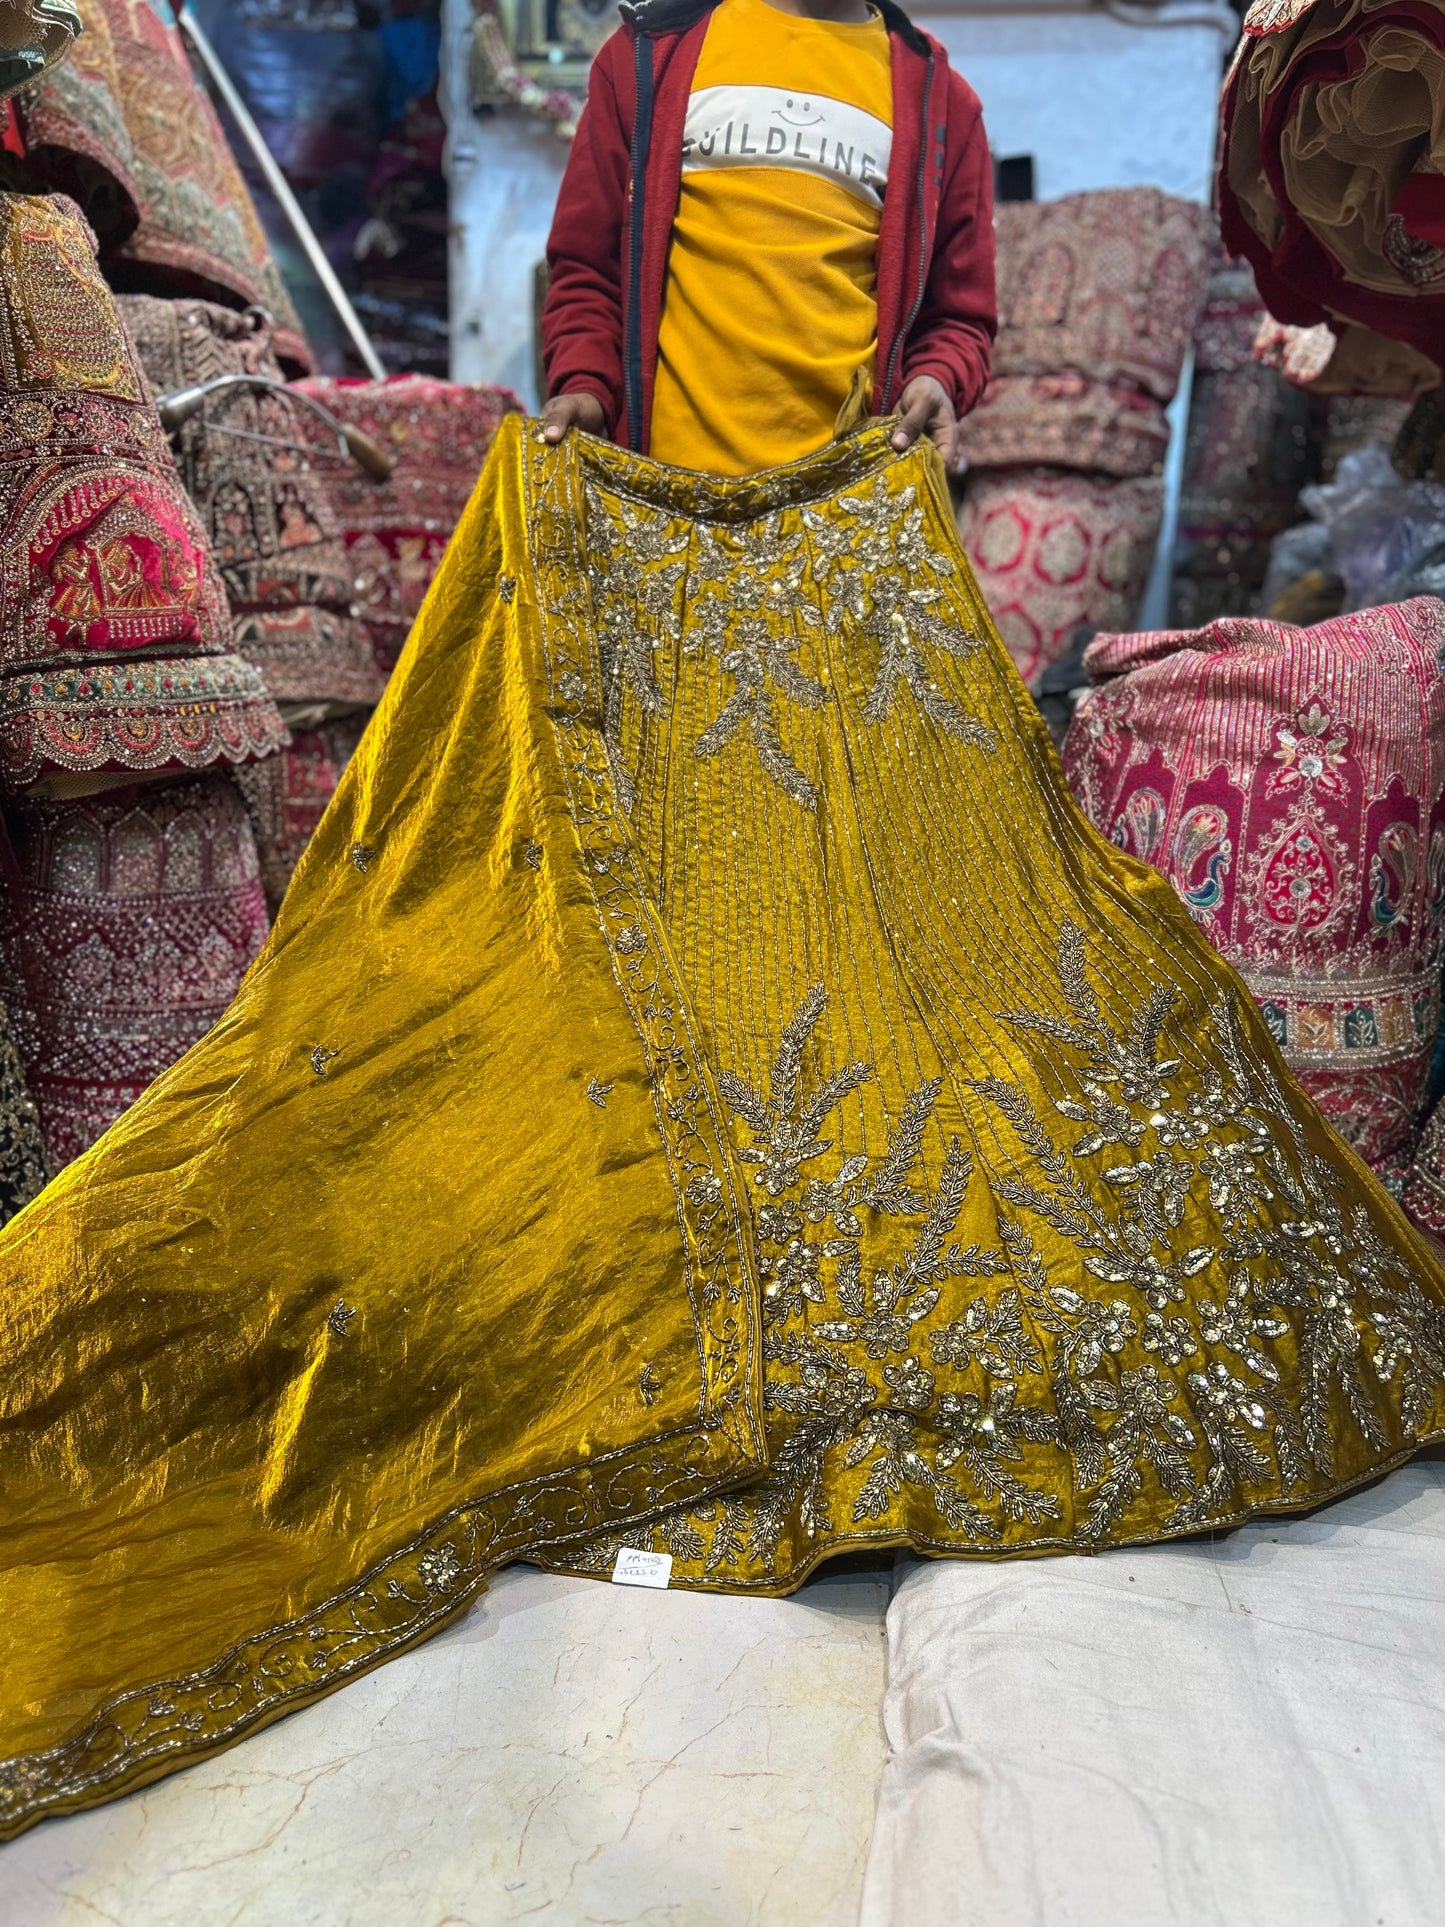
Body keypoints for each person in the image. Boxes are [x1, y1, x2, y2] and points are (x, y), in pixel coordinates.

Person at [537, 0, 996, 476]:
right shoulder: (646, 56)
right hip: (662, 489)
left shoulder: (943, 103)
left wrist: (936, 377)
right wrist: (585, 385)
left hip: (846, 505)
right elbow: (588, 267)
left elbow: (959, 317)